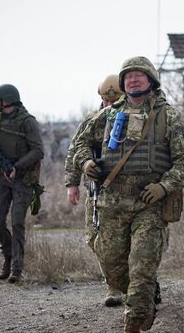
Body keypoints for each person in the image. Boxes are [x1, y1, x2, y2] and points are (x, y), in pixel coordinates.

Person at [74, 56, 184, 333]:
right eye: (128, 76)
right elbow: (80, 143)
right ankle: (140, 303)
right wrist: (86, 164)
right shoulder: (106, 116)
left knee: (141, 269)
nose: (133, 79)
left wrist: (164, 186)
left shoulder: (169, 116)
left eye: (139, 75)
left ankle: (135, 321)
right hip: (111, 203)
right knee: (113, 268)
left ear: (151, 80)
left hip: (148, 204)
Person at [64, 74, 124, 306]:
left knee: (126, 239)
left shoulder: (133, 118)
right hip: (96, 189)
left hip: (125, 189)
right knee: (95, 239)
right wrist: (72, 183)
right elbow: (75, 151)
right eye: (105, 101)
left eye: (114, 100)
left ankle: (130, 285)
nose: (108, 105)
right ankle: (113, 284)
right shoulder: (92, 120)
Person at [0, 84, 44, 283]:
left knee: (17, 223)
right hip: (0, 179)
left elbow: (38, 150)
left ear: (6, 100)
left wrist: (17, 166)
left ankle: (16, 268)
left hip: (22, 179)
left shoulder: (27, 122)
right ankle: (7, 254)